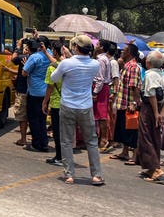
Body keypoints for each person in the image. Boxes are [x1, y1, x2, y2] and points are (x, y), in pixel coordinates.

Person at [50, 35, 104, 185]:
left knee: (66, 141)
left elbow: (54, 78)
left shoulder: (66, 63)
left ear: (75, 47)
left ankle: (69, 174)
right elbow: (83, 64)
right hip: (85, 106)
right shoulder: (94, 64)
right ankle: (97, 175)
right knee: (91, 141)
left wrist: (65, 59)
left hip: (68, 105)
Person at [136, 51, 164, 182]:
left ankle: (156, 168)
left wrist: (156, 113)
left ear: (148, 62)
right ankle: (151, 167)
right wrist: (161, 114)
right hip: (161, 109)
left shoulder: (150, 75)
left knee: (146, 137)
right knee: (154, 137)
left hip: (150, 109)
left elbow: (151, 94)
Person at [111, 43, 142, 164]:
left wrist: (134, 102)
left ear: (129, 52)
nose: (121, 52)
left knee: (132, 130)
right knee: (123, 129)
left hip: (129, 104)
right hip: (122, 102)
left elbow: (134, 87)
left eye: (123, 51)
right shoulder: (126, 65)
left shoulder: (133, 66)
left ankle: (135, 156)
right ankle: (124, 152)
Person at [22, 36, 51, 152]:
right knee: (42, 119)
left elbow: (24, 73)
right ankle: (44, 143)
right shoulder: (50, 55)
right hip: (46, 92)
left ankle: (36, 143)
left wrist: (26, 64)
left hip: (34, 92)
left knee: (34, 119)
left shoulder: (34, 57)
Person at [43, 41, 67, 166]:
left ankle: (59, 157)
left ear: (55, 52)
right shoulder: (67, 66)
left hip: (57, 104)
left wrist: (45, 102)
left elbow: (49, 88)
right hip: (67, 103)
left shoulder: (52, 68)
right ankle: (65, 156)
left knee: (57, 132)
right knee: (65, 132)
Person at [3, 39, 29, 146]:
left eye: (25, 48)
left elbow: (13, 59)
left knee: (22, 115)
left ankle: (23, 139)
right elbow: (21, 73)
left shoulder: (24, 58)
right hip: (33, 91)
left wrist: (17, 46)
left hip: (23, 90)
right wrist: (9, 70)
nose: (24, 49)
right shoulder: (40, 58)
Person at [93, 40, 112, 151]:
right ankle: (102, 138)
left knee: (101, 115)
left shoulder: (101, 60)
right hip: (102, 87)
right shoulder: (103, 58)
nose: (96, 46)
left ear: (102, 47)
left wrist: (95, 92)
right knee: (99, 114)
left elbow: (100, 78)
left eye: (98, 44)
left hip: (100, 88)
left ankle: (104, 139)